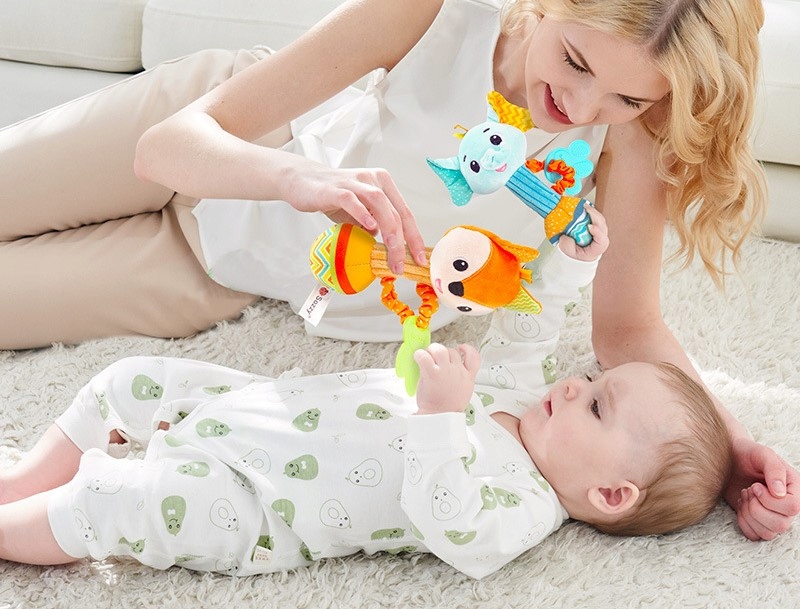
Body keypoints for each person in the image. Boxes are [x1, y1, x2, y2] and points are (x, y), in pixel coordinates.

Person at [0, 0, 796, 539]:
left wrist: (729, 450)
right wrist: (299, 181)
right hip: (235, 144)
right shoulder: (438, 13)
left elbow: (627, 326)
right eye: (575, 61)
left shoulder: (632, 135)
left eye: (625, 98)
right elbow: (165, 148)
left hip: (215, 268)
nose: (584, 108)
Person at [0, 221, 733, 578]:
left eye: (597, 406)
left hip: (259, 504)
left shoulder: (524, 508)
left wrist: (442, 417)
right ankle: (26, 477)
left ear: (610, 494)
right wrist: (573, 266)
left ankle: (12, 527)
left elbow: (454, 523)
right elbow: (529, 330)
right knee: (134, 378)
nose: (574, 384)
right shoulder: (526, 396)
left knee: (125, 503)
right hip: (264, 409)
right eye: (594, 381)